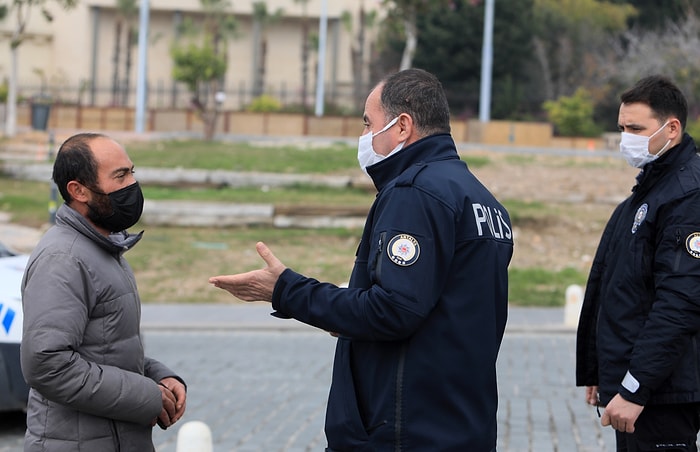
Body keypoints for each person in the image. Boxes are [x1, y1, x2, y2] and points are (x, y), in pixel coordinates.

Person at [209, 68, 514, 451]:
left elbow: (393, 309)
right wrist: (346, 309)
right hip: (463, 426)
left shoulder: (414, 192)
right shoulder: (481, 199)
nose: (364, 137)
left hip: (404, 431)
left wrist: (285, 289)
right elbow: (434, 307)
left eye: (369, 124)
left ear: (402, 126)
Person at [21, 132, 187, 451]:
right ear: (78, 190)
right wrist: (146, 396)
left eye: (131, 171)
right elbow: (47, 363)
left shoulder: (102, 248)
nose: (132, 185)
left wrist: (159, 376)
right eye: (120, 175)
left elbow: (106, 347)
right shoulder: (64, 259)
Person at [577, 75, 700, 451]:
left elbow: (679, 304)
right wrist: (602, 371)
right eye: (621, 128)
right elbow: (616, 288)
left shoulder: (687, 197)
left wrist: (635, 388)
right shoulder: (645, 195)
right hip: (639, 387)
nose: (626, 138)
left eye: (635, 128)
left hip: (662, 395)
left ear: (671, 128)